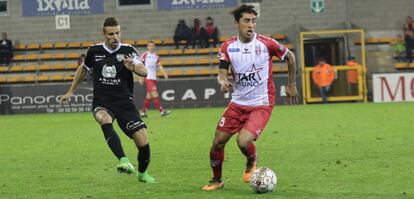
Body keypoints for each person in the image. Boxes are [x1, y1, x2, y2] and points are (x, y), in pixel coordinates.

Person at [202, 4, 298, 191]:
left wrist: (291, 84)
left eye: (253, 21)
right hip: (237, 103)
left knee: (243, 141)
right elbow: (222, 72)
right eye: (246, 21)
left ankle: (251, 160)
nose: (251, 25)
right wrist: (222, 81)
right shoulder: (228, 46)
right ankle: (217, 180)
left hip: (261, 103)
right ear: (236, 23)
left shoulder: (266, 43)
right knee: (217, 142)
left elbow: (291, 57)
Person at [60, 17, 157, 183]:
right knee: (104, 119)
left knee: (143, 142)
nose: (115, 37)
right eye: (111, 34)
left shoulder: (128, 50)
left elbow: (144, 71)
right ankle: (123, 160)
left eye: (118, 32)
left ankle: (142, 174)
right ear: (104, 34)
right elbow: (83, 70)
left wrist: (132, 67)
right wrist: (70, 92)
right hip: (102, 101)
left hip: (124, 102)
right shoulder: (94, 50)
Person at [138, 41, 171, 117]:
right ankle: (162, 111)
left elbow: (160, 66)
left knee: (149, 96)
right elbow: (140, 66)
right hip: (148, 77)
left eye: (152, 46)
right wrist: (140, 77)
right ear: (147, 47)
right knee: (155, 93)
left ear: (154, 46)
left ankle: (143, 112)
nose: (151, 47)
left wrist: (164, 73)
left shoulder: (156, 56)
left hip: (153, 78)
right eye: (150, 46)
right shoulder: (145, 55)